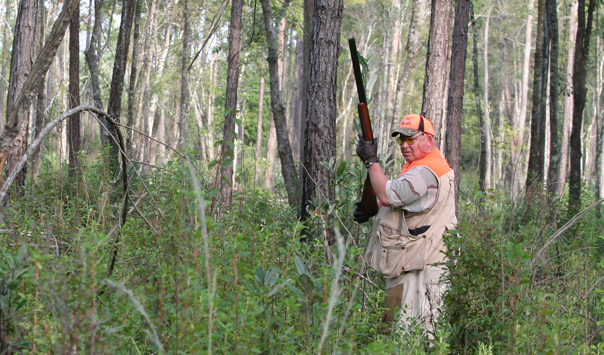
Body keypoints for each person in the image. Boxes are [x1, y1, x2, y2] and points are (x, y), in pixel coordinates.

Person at [354, 114, 457, 339]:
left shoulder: (426, 172)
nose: (405, 146)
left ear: (428, 140)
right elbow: (399, 199)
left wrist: (371, 161)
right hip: (412, 262)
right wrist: (372, 206)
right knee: (401, 333)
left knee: (415, 336)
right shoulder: (420, 166)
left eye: (411, 139)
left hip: (422, 268)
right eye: (401, 141)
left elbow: (389, 194)